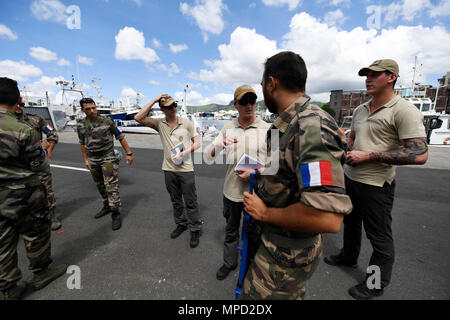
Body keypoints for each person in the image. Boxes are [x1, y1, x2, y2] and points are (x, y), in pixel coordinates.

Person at [240, 51, 353, 300]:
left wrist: (264, 212)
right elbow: (290, 169)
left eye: (262, 85)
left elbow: (327, 218)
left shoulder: (310, 127)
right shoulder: (288, 124)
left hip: (284, 255)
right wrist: (260, 171)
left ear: (272, 83)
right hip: (274, 243)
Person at [324, 59, 428, 299]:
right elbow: (353, 141)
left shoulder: (403, 110)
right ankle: (348, 257)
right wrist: (344, 148)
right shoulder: (361, 109)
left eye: (374, 74)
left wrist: (369, 155)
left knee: (379, 237)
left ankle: (375, 283)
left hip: (377, 185)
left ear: (391, 77)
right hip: (352, 179)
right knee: (350, 223)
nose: (367, 79)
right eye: (366, 75)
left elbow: (420, 153)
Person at [0, 77, 68, 300]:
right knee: (35, 233)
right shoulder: (23, 129)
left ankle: (8, 287)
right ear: (17, 99)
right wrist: (42, 152)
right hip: (24, 193)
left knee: (4, 240)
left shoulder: (35, 120)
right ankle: (41, 273)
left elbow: (52, 134)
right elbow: (37, 163)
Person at [208, 84, 270, 280]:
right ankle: (229, 262)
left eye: (252, 101)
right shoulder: (227, 127)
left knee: (255, 235)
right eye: (243, 101)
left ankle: (252, 268)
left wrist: (256, 172)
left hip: (256, 193)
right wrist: (218, 145)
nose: (249, 105)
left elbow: (277, 165)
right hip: (232, 192)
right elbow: (210, 155)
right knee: (231, 230)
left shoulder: (269, 129)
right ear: (236, 104)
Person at [135, 94, 202, 248]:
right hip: (169, 169)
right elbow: (138, 117)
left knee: (190, 201)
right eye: (169, 107)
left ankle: (195, 228)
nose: (173, 109)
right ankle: (181, 224)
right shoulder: (159, 124)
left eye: (174, 105)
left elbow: (197, 143)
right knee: (176, 200)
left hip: (186, 169)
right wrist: (154, 99)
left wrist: (185, 153)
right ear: (162, 109)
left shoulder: (186, 123)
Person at [76, 97, 134, 231]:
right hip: (92, 158)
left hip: (107, 156)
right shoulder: (80, 125)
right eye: (88, 109)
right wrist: (85, 159)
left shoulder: (107, 121)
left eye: (94, 107)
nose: (92, 111)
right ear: (82, 110)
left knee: (111, 186)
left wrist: (129, 153)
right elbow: (82, 143)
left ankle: (115, 213)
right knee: (99, 185)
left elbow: (120, 137)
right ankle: (107, 205)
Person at [15, 102, 62, 230]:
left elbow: (52, 134)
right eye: (15, 104)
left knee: (46, 190)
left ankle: (51, 216)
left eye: (21, 104)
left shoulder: (35, 119)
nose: (19, 106)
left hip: (38, 164)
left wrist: (49, 150)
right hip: (16, 166)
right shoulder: (5, 122)